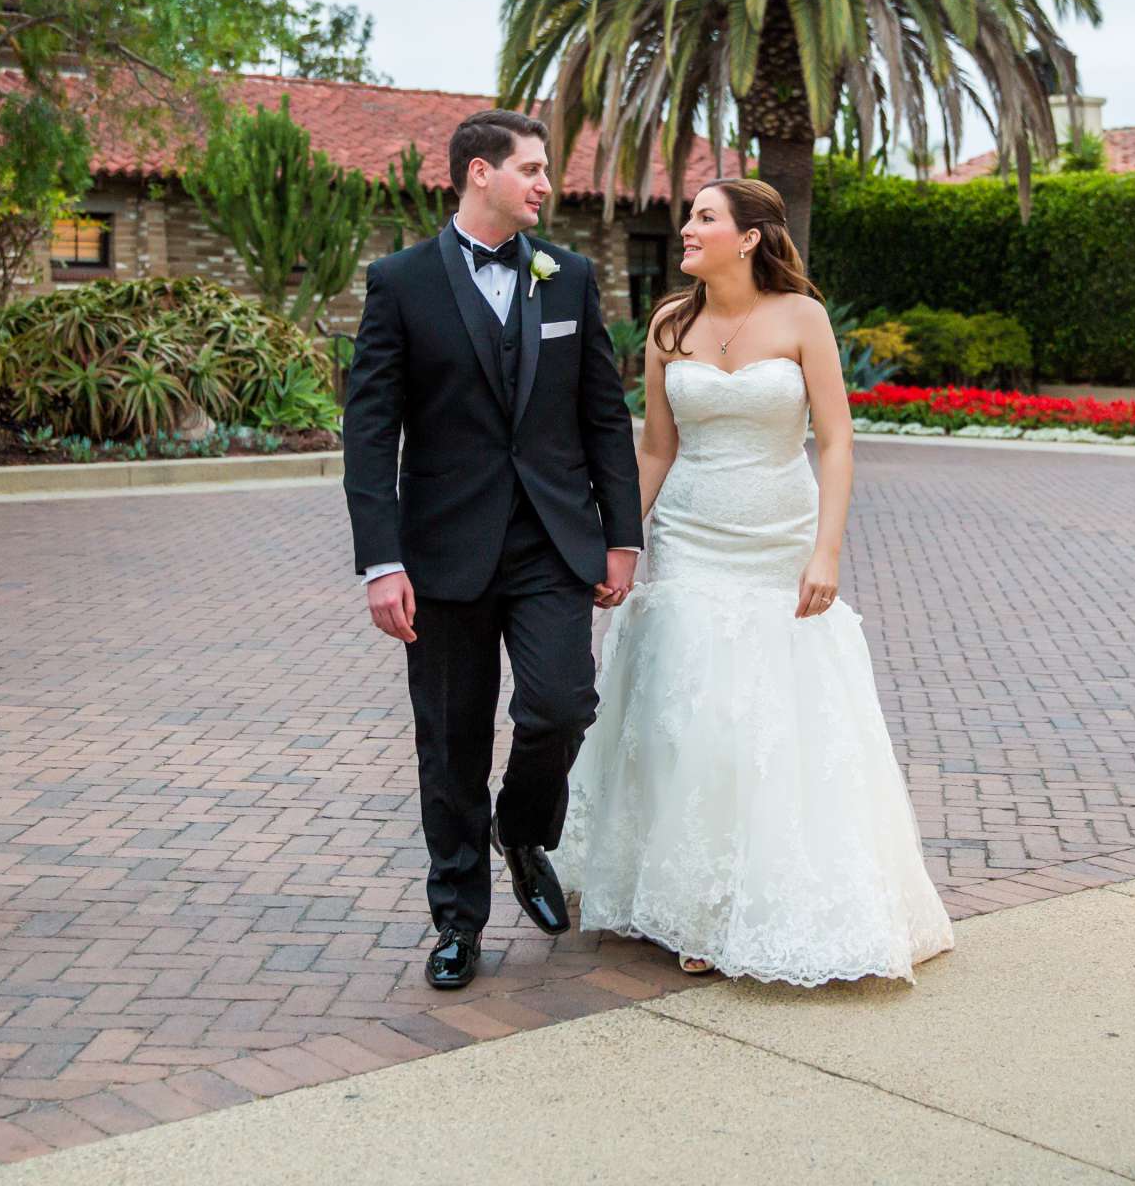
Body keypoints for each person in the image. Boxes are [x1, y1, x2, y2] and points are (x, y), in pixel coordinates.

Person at [554, 178, 956, 985]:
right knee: (690, 712)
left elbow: (836, 443)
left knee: (765, 714)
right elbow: (657, 449)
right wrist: (619, 544)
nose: (687, 229)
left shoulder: (803, 318)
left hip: (779, 538)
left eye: (705, 217)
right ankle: (692, 903)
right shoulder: (672, 324)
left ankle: (750, 893)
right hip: (692, 539)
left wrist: (827, 552)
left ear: (749, 238)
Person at [343, 109, 642, 990]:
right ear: (480, 174)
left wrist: (620, 534)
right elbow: (370, 431)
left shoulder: (569, 277)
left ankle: (524, 829)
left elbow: (601, 415)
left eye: (546, 171)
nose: (547, 185)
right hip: (441, 555)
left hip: (551, 542)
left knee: (561, 705)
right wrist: (381, 560)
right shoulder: (400, 283)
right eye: (532, 169)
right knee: (452, 742)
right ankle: (457, 922)